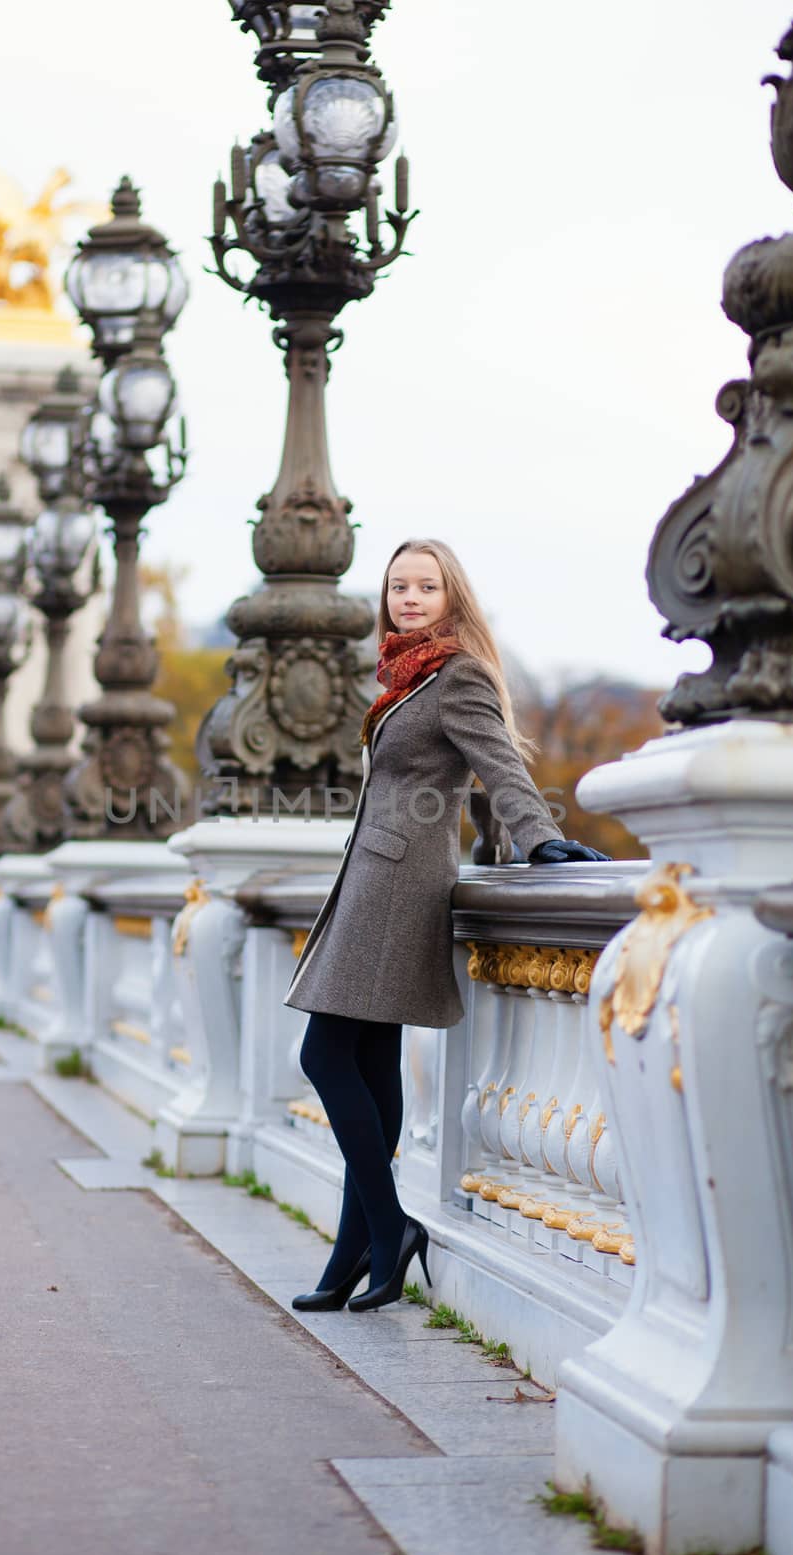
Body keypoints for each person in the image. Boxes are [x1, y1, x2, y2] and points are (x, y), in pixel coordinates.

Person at [282, 538, 610, 1313]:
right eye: (399, 586)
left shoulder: (455, 674)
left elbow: (498, 764)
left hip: (397, 885)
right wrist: (500, 842)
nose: (410, 598)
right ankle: (351, 1253)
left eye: (426, 586)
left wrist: (536, 840)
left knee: (324, 1054)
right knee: (368, 1061)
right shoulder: (404, 675)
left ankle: (390, 1228)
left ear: (451, 597)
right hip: (376, 875)